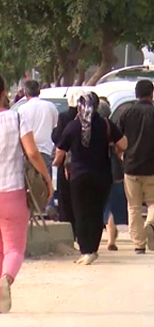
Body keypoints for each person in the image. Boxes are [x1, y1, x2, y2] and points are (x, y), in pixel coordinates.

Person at [0, 73, 53, 313]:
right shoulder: (17, 117)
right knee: (14, 248)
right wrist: (46, 178)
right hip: (12, 192)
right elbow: (32, 152)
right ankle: (6, 279)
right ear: (4, 93)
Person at [54, 92, 127, 265]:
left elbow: (60, 151)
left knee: (81, 212)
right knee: (96, 212)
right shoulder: (105, 124)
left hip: (78, 176)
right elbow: (123, 144)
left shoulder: (72, 126)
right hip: (102, 175)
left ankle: (85, 250)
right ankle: (93, 249)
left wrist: (57, 163)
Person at [118, 80, 154, 254]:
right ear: (152, 94)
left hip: (131, 167)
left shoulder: (126, 114)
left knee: (133, 207)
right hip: (152, 167)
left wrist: (121, 158)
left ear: (136, 94)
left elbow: (118, 142)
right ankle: (150, 225)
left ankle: (138, 244)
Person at [18, 80, 59, 210]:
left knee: (28, 181)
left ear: (25, 92)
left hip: (27, 150)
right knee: (46, 178)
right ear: (39, 91)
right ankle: (48, 205)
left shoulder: (21, 109)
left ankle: (31, 207)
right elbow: (55, 126)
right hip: (46, 149)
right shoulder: (50, 107)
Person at [97, 98, 128, 251]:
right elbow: (123, 145)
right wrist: (117, 152)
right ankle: (111, 235)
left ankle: (110, 236)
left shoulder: (91, 126)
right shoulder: (111, 126)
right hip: (114, 168)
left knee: (104, 205)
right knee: (111, 202)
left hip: (98, 168)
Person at [52, 88, 83, 239]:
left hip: (65, 161)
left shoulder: (64, 117)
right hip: (83, 162)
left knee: (65, 197)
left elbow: (58, 137)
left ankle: (68, 230)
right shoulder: (88, 116)